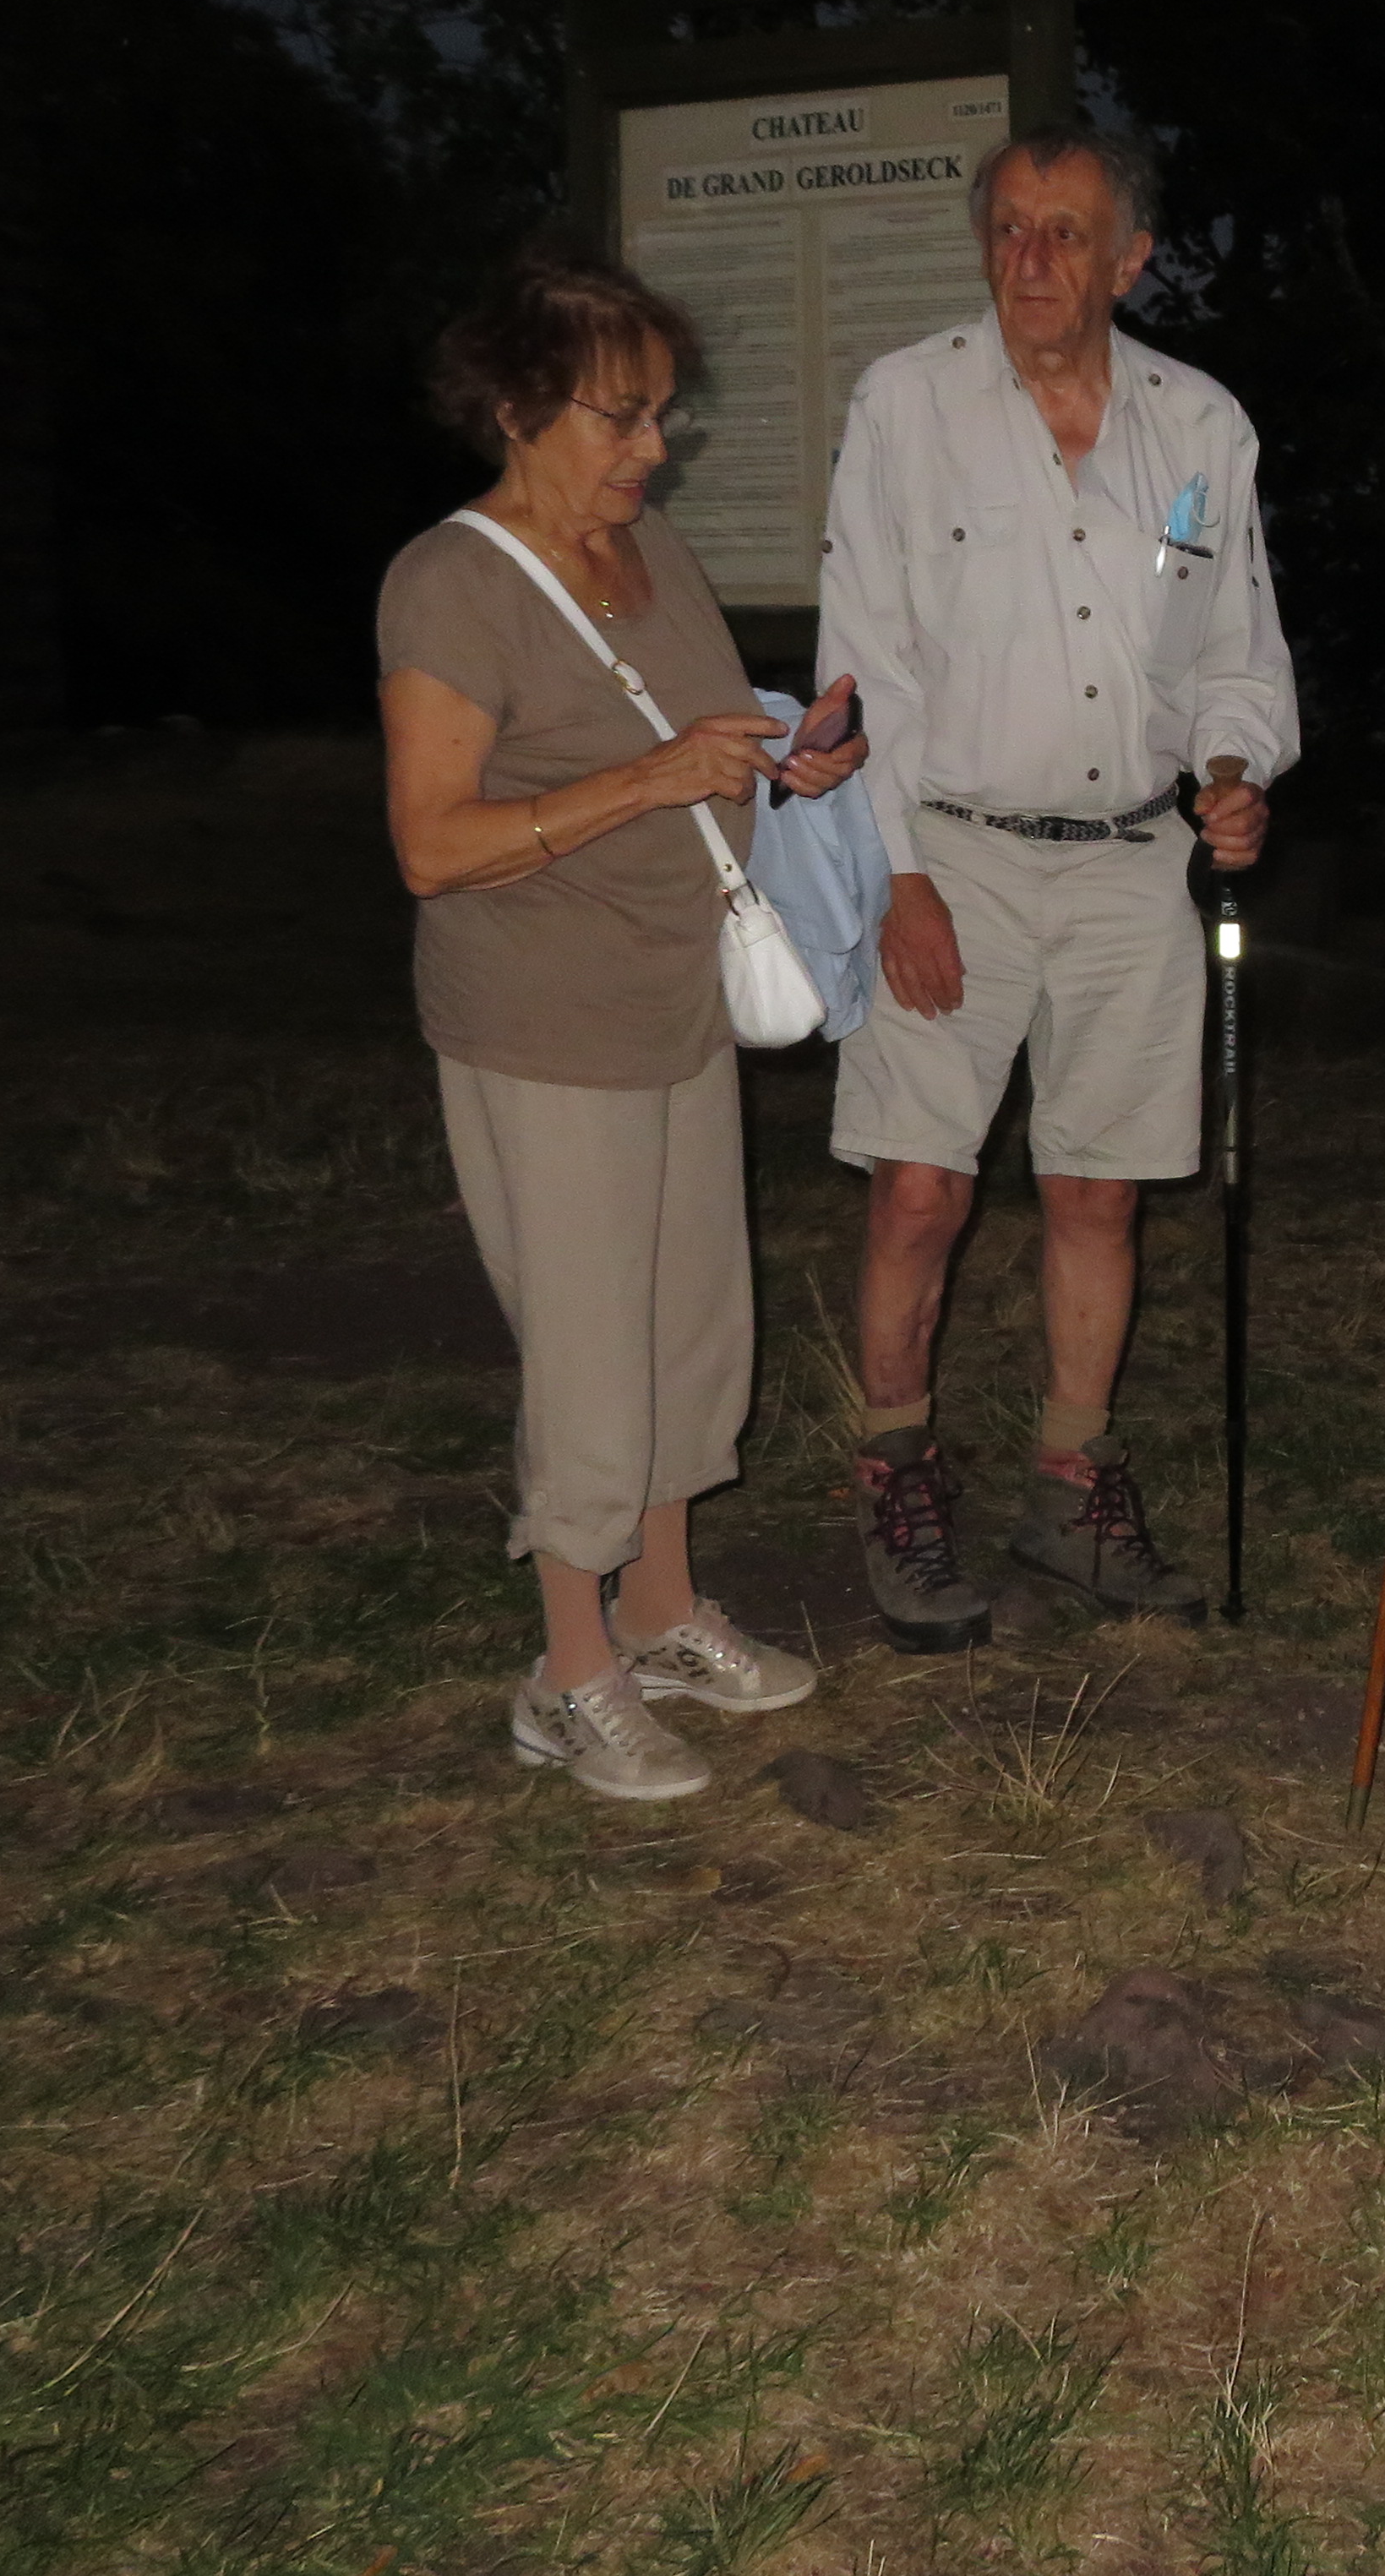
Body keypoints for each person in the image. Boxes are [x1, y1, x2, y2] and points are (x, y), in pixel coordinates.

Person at [378, 255, 869, 1802]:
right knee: (590, 1352)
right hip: (542, 1018)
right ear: (517, 410)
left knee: (689, 1328)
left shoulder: (651, 552)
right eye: (622, 416)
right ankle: (568, 1672)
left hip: (677, 994)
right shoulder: (448, 584)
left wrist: (783, 759)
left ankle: (660, 1614)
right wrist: (650, 781)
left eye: (664, 415)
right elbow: (432, 843)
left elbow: (691, 736)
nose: (655, 448)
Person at [814, 123, 1297, 1648]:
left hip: (1130, 863)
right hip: (946, 846)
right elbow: (864, 659)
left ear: (1129, 259)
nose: (1030, 258)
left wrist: (1232, 774)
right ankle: (897, 1474)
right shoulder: (906, 404)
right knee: (920, 1188)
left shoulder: (1199, 428)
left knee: (1098, 1187)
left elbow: (1233, 651)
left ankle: (1070, 1487)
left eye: (1066, 232)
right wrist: (897, 875)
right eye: (1010, 228)